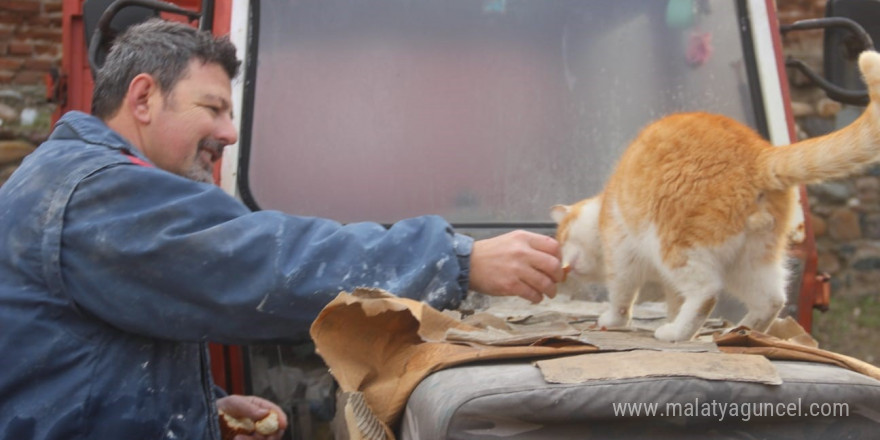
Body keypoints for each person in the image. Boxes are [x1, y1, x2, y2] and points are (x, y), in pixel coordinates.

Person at [0, 19, 563, 439]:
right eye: (213, 108)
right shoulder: (99, 194)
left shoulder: (69, 179)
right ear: (144, 97)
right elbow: (261, 262)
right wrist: (458, 260)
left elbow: (87, 355)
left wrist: (203, 405)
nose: (229, 132)